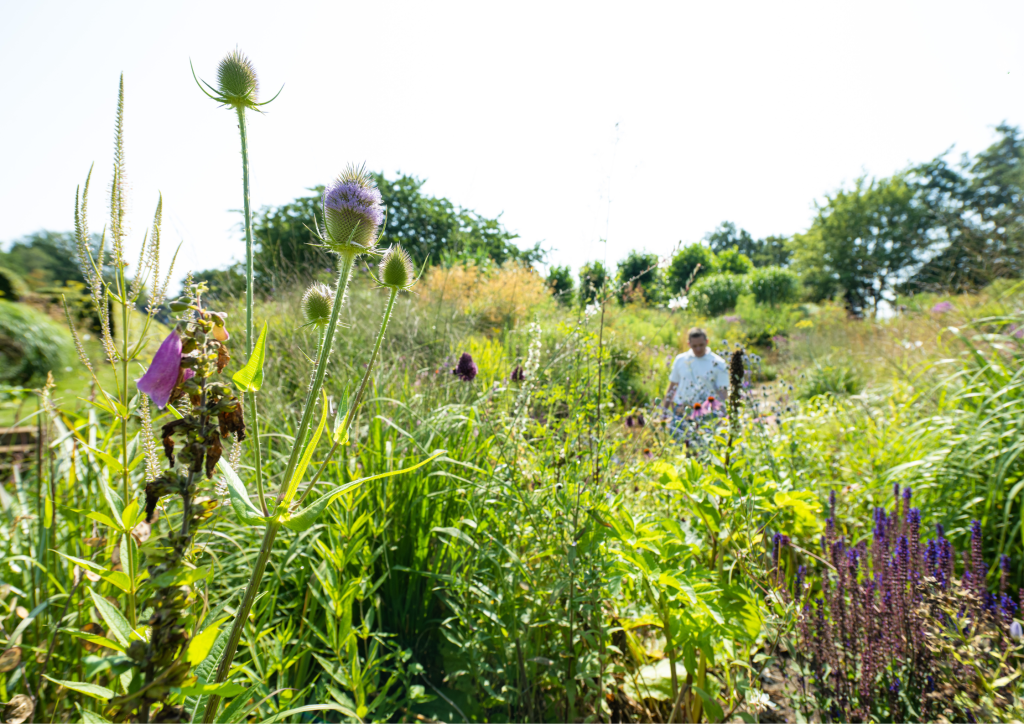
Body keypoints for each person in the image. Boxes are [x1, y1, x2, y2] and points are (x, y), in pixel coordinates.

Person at [662, 327, 729, 414]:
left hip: (707, 410)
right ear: (689, 344)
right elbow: (672, 386)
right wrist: (664, 411)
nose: (698, 349)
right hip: (681, 408)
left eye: (701, 345)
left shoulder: (718, 363)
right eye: (694, 346)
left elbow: (723, 391)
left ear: (707, 341)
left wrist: (723, 413)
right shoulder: (680, 360)